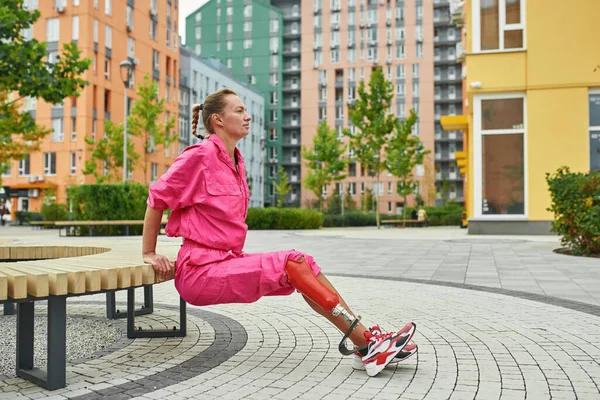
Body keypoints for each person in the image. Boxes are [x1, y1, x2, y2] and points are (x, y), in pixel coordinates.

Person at [142, 88, 417, 376]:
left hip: (225, 261)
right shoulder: (200, 155)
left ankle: (364, 345)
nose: (247, 117)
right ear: (218, 120)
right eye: (239, 111)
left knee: (304, 263)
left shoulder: (236, 160)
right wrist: (149, 252)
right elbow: (157, 197)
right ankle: (367, 343)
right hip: (199, 271)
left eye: (245, 110)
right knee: (291, 262)